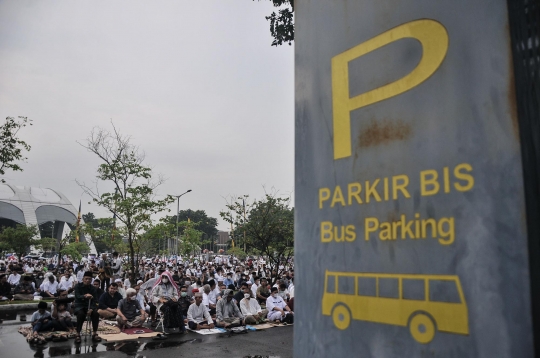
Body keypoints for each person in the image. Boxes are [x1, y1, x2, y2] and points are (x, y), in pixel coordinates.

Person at [73, 271, 101, 343]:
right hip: (80, 305)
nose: (88, 280)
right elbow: (78, 297)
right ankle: (78, 334)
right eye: (86, 279)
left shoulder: (93, 288)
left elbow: (96, 300)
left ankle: (94, 333)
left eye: (89, 279)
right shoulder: (78, 286)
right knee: (81, 314)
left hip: (89, 306)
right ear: (83, 279)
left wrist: (91, 309)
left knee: (96, 314)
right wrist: (85, 296)